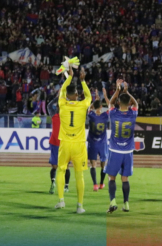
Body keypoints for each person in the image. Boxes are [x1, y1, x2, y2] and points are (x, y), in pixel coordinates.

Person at [54, 57, 89, 214]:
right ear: (76, 94)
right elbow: (88, 96)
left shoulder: (62, 103)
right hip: (79, 144)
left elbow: (61, 91)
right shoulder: (83, 105)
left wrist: (69, 77)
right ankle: (80, 205)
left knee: (61, 171)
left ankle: (61, 201)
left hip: (65, 143)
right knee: (79, 175)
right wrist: (82, 81)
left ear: (68, 95)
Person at [104, 80, 138, 214]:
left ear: (119, 102)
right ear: (129, 103)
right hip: (128, 151)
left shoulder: (113, 113)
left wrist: (118, 90)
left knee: (111, 177)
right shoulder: (133, 114)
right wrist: (126, 91)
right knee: (125, 178)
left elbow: (110, 103)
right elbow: (136, 104)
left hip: (114, 150)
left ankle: (113, 201)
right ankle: (126, 203)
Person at [87, 88, 110, 191]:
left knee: (93, 165)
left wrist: (95, 100)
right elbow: (111, 107)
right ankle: (101, 184)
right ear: (101, 107)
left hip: (92, 143)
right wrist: (105, 96)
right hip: (103, 143)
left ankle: (95, 185)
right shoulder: (105, 116)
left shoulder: (91, 115)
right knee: (103, 164)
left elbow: (89, 108)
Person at [47, 94, 70, 194]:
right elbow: (49, 106)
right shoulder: (55, 116)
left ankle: (66, 186)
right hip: (57, 143)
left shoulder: (67, 117)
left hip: (62, 143)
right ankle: (54, 184)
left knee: (64, 167)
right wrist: (58, 97)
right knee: (56, 166)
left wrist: (63, 98)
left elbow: (49, 106)